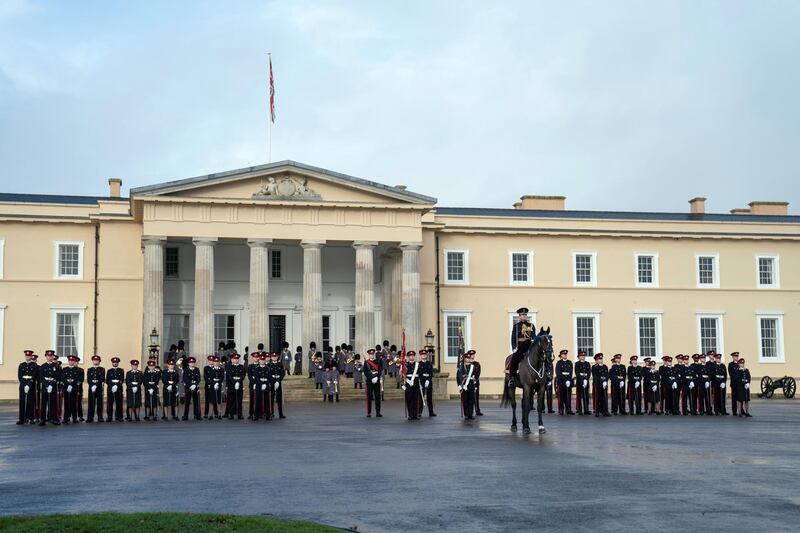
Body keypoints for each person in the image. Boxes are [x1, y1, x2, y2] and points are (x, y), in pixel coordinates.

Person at [508, 307, 534, 387]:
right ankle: (512, 378)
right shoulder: (516, 326)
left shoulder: (531, 325)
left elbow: (534, 336)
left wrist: (535, 340)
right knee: (513, 360)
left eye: (525, 315)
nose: (524, 316)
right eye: (522, 315)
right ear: (519, 316)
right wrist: (514, 347)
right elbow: (513, 337)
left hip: (529, 346)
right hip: (520, 347)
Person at [38, 350, 61, 426]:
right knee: (44, 403)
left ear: (53, 356)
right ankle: (42, 419)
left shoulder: (56, 366)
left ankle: (54, 419)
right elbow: (41, 377)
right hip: (45, 387)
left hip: (53, 386)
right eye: (48, 356)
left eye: (51, 356)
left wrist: (51, 385)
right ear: (46, 356)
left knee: (53, 403)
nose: (49, 357)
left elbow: (57, 376)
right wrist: (47, 385)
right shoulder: (43, 366)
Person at [18, 350, 38, 425]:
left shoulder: (34, 365)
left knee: (31, 402)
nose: (27, 357)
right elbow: (20, 376)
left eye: (29, 356)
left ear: (31, 356)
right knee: (22, 402)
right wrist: (24, 385)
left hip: (31, 385)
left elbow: (34, 376)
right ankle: (21, 419)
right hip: (23, 385)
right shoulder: (21, 365)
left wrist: (29, 385)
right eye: (26, 356)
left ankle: (31, 418)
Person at [457, 350, 477, 420]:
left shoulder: (473, 367)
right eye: (467, 358)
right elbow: (458, 377)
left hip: (471, 385)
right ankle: (466, 414)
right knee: (465, 400)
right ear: (464, 359)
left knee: (471, 400)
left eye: (469, 358)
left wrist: (475, 378)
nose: (468, 359)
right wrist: (459, 385)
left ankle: (470, 414)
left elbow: (475, 375)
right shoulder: (461, 367)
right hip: (464, 386)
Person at [402, 350, 422, 420]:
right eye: (410, 356)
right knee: (409, 399)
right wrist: (403, 384)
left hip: (416, 382)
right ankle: (410, 414)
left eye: (413, 356)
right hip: (408, 383)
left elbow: (420, 374)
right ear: (408, 357)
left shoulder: (417, 364)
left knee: (416, 399)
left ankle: (415, 414)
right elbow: (402, 375)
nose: (412, 357)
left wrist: (421, 384)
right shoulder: (405, 365)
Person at [363, 349, 383, 417]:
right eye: (370, 354)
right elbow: (365, 372)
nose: (371, 355)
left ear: (374, 354)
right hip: (369, 381)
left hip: (377, 380)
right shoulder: (366, 362)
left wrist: (377, 377)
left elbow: (380, 370)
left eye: (372, 354)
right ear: (369, 355)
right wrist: (371, 378)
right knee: (369, 397)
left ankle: (378, 412)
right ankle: (369, 412)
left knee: (378, 397)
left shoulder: (378, 361)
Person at [86, 355, 105, 423]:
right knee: (91, 403)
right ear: (92, 361)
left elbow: (102, 378)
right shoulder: (89, 369)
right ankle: (90, 417)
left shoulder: (102, 369)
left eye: (97, 360)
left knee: (99, 403)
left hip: (99, 388)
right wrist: (92, 386)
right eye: (94, 360)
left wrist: (96, 386)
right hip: (91, 388)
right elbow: (88, 379)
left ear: (99, 361)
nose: (95, 361)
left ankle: (100, 417)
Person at [182, 356, 202, 420]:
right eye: (191, 362)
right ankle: (185, 416)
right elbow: (185, 378)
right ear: (188, 363)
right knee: (187, 402)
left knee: (196, 401)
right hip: (188, 387)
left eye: (193, 362)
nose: (192, 364)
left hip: (195, 387)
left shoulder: (197, 369)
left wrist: (195, 384)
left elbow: (198, 378)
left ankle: (196, 415)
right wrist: (191, 385)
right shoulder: (185, 370)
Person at [227, 353, 245, 419]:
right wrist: (235, 383)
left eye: (237, 359)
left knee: (239, 400)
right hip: (232, 385)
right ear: (232, 360)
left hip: (239, 385)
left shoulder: (241, 366)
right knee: (232, 400)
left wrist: (238, 382)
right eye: (234, 359)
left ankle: (240, 414)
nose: (236, 360)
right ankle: (231, 414)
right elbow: (229, 376)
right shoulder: (229, 367)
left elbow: (243, 375)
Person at [555, 349, 573, 415]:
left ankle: (568, 409)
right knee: (561, 396)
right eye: (563, 354)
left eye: (565, 354)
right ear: (561, 356)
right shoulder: (559, 363)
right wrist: (565, 380)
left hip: (568, 381)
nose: (565, 355)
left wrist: (568, 380)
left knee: (568, 396)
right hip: (561, 382)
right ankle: (561, 409)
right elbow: (558, 373)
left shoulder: (569, 362)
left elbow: (571, 372)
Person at [106, 356, 124, 422]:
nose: (115, 363)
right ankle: (109, 417)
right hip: (111, 389)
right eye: (114, 362)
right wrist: (112, 386)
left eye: (116, 362)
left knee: (119, 403)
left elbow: (121, 380)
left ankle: (119, 416)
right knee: (110, 403)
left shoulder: (121, 370)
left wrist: (116, 385)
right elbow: (107, 380)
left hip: (118, 389)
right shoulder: (109, 371)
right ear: (112, 363)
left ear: (118, 363)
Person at [419, 349, 436, 417]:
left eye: (425, 354)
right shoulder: (419, 364)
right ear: (420, 355)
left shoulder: (429, 363)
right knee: (421, 397)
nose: (424, 355)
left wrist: (428, 380)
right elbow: (419, 374)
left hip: (428, 381)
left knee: (429, 398)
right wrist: (422, 381)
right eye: (423, 355)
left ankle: (431, 412)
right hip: (422, 381)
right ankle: (419, 412)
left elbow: (431, 372)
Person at [206, 355, 224, 420]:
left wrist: (218, 383)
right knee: (211, 400)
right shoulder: (210, 369)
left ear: (219, 362)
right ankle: (211, 414)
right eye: (215, 362)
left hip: (218, 386)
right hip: (212, 386)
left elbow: (222, 377)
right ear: (213, 362)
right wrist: (214, 383)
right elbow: (210, 378)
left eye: (217, 362)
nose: (216, 363)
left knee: (219, 400)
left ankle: (219, 414)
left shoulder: (221, 369)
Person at [269, 351, 286, 419]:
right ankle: (272, 412)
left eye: (275, 356)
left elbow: (282, 373)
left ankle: (280, 413)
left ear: (277, 357)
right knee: (271, 398)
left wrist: (278, 381)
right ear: (271, 357)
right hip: (272, 383)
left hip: (278, 382)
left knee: (279, 399)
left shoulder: (280, 364)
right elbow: (269, 374)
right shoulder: (269, 365)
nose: (274, 357)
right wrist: (273, 382)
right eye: (273, 356)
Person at [574, 351, 591, 415]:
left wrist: (586, 379)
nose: (583, 357)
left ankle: (586, 409)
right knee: (579, 396)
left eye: (584, 356)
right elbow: (577, 373)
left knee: (586, 396)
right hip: (580, 382)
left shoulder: (587, 363)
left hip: (586, 381)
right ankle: (579, 409)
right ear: (579, 357)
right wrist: (582, 380)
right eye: (581, 356)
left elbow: (589, 372)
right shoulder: (577, 364)